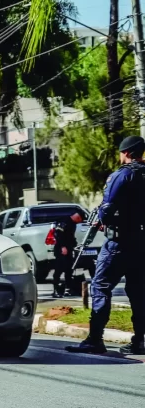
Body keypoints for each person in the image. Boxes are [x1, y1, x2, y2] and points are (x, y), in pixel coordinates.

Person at [67, 135, 145, 355]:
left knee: (100, 286)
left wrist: (103, 219)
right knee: (139, 292)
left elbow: (107, 208)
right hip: (141, 244)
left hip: (119, 243)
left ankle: (95, 339)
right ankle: (140, 340)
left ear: (127, 153)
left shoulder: (122, 175)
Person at [50, 212, 81, 298]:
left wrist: (75, 244)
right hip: (61, 249)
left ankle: (68, 289)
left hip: (69, 249)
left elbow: (70, 236)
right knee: (59, 269)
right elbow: (58, 234)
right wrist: (63, 246)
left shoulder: (73, 224)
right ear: (77, 217)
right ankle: (56, 289)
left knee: (69, 270)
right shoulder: (64, 221)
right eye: (79, 220)